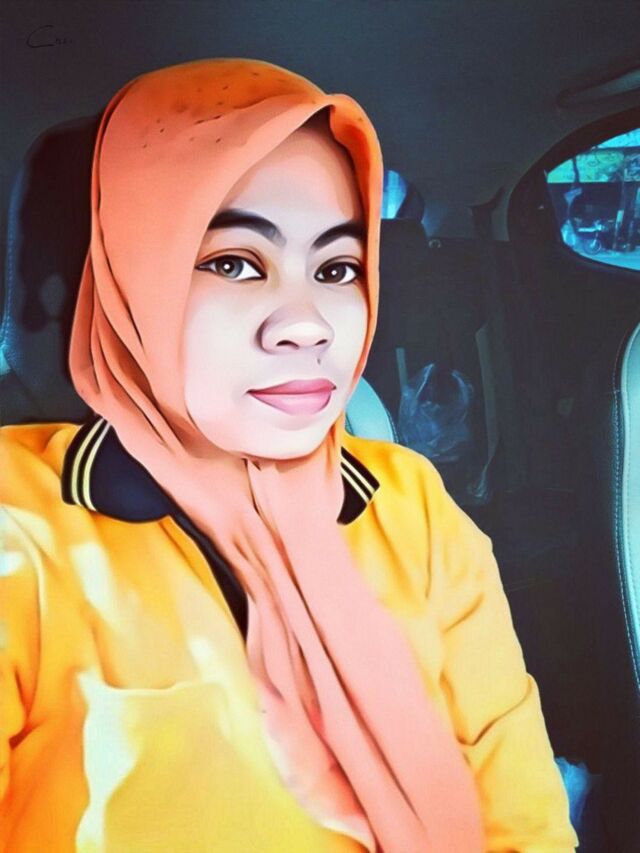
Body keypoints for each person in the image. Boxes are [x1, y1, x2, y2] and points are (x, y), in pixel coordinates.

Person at [0, 58, 577, 852]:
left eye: (337, 268)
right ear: (133, 273)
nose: (308, 325)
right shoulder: (22, 523)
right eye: (235, 263)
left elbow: (526, 821)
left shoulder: (411, 506)